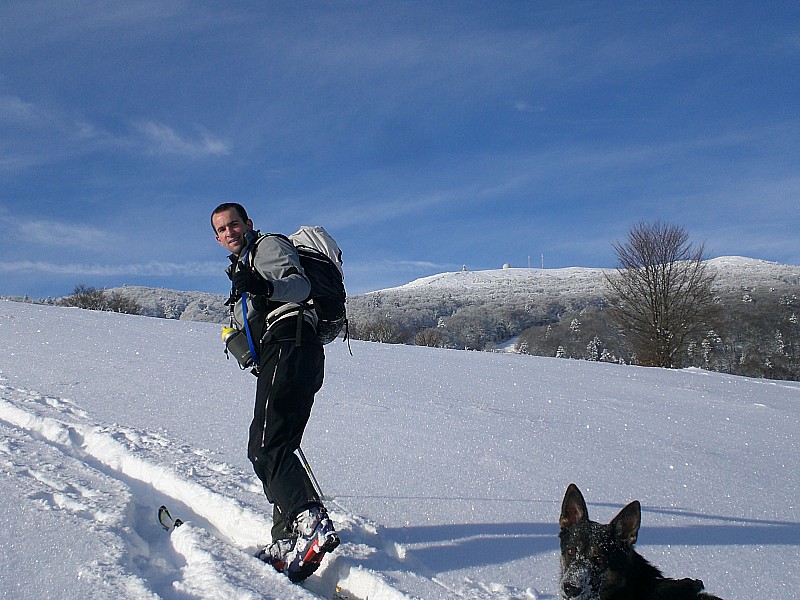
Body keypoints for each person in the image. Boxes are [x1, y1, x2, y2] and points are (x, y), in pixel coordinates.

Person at [211, 202, 339, 582]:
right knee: (280, 444)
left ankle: (310, 520)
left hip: (290, 338)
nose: (229, 232)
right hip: (292, 349)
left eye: (234, 224)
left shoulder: (266, 246)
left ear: (248, 224)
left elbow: (299, 286)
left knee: (264, 446)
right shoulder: (243, 266)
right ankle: (286, 539)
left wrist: (264, 285)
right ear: (216, 238)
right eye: (221, 229)